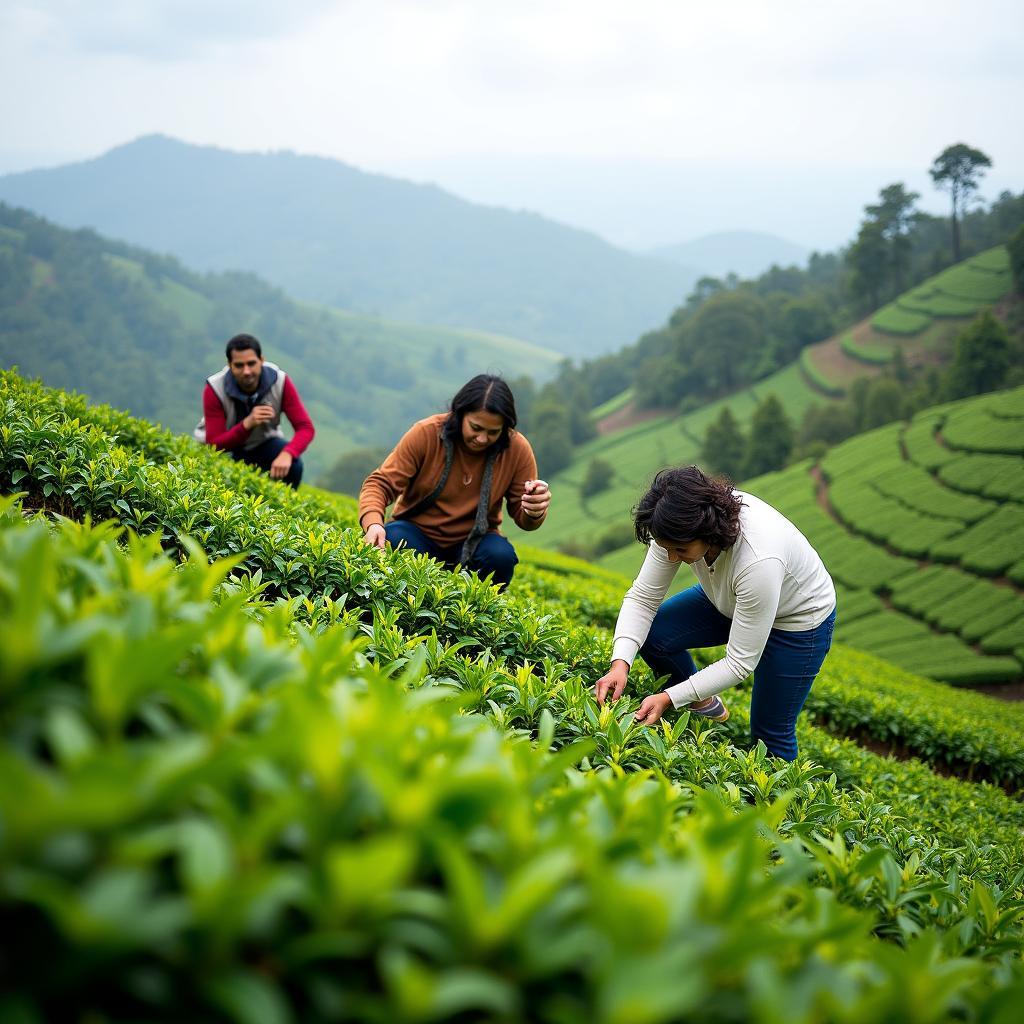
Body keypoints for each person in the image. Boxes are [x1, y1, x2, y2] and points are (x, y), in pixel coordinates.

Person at [594, 466, 836, 761]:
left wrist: (670, 698)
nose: (672, 557)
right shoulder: (674, 526)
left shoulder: (757, 559)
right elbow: (643, 598)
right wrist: (620, 663)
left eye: (680, 550)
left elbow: (739, 663)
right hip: (730, 597)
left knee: (770, 733)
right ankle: (701, 701)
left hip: (797, 621)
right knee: (656, 635)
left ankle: (783, 806)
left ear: (708, 532)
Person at [359, 374, 550, 589]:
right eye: (476, 428)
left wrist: (534, 510)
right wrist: (374, 524)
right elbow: (379, 484)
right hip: (418, 534)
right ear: (459, 414)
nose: (482, 439)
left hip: (474, 540)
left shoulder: (516, 449)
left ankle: (477, 616)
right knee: (394, 538)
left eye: (493, 432)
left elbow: (524, 518)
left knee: (500, 556)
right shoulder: (427, 433)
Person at [196, 334, 315, 488]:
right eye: (239, 365)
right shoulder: (214, 388)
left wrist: (288, 453)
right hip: (225, 450)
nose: (247, 371)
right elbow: (214, 444)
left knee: (294, 465)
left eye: (251, 363)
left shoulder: (280, 381)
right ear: (230, 365)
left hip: (262, 442)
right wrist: (247, 424)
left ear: (261, 361)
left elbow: (305, 428)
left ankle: (282, 508)